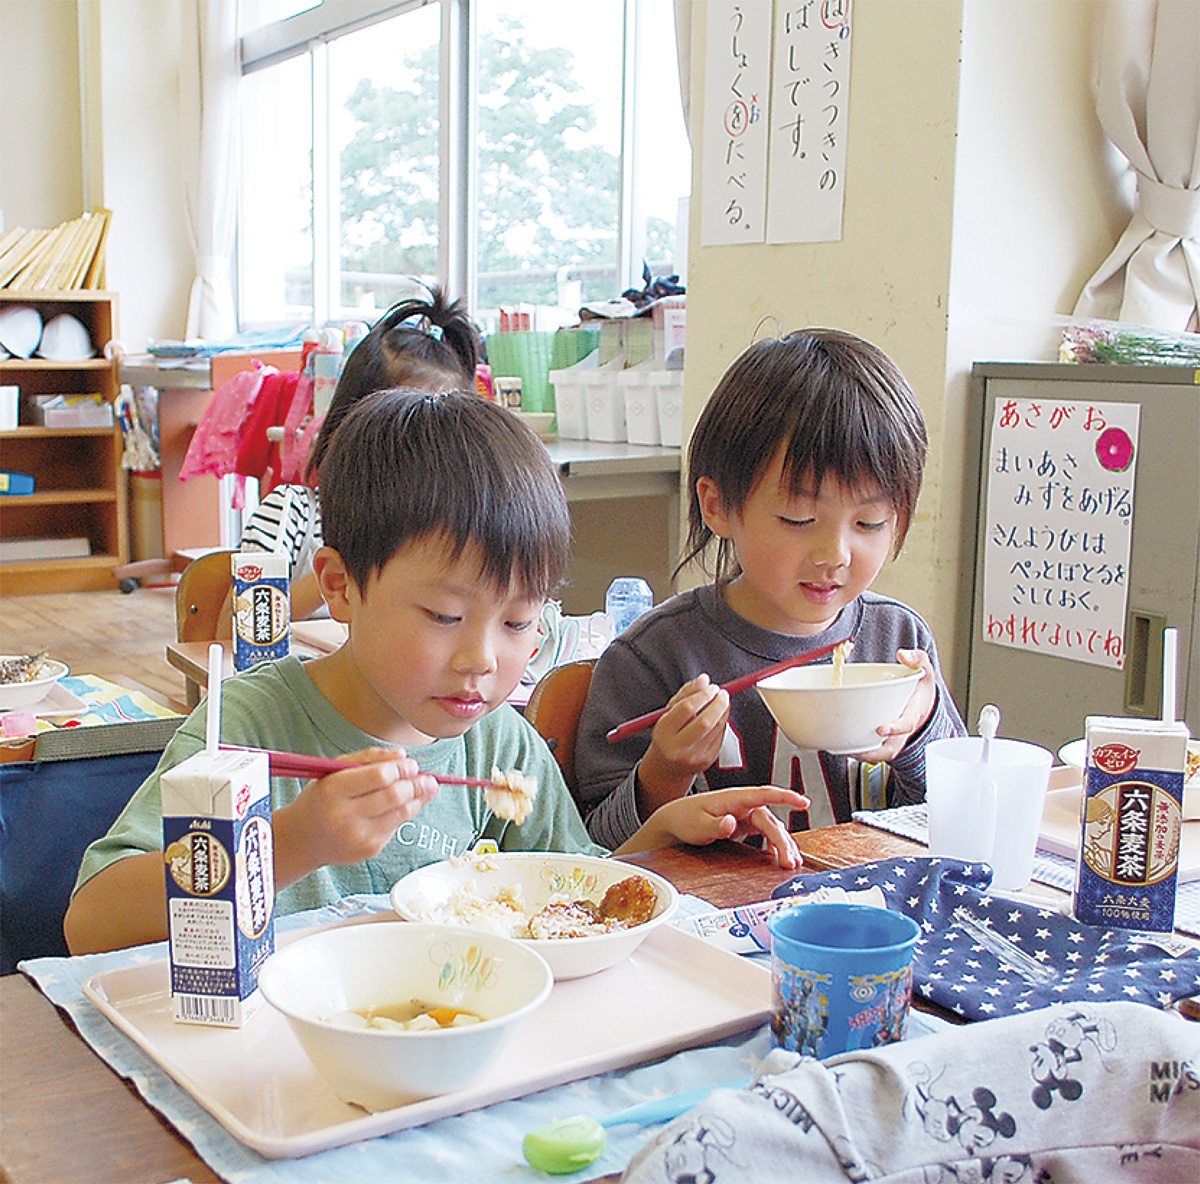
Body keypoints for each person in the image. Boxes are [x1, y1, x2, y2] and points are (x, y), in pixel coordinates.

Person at [64, 389, 805, 955]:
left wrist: (660, 834)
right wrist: (292, 842)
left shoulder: (500, 745)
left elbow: (571, 899)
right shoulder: (248, 727)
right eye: (445, 616)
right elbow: (91, 924)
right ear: (341, 587)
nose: (482, 659)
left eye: (518, 622)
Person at [574, 328, 966, 850]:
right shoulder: (655, 657)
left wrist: (921, 733)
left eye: (869, 523)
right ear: (717, 506)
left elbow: (963, 817)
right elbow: (593, 857)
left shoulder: (896, 640)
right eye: (798, 518)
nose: (835, 554)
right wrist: (664, 774)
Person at [234, 287, 482, 623]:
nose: (429, 452)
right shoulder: (293, 514)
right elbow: (236, 628)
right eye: (411, 430)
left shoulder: (458, 530)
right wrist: (353, 565)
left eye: (446, 433)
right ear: (348, 422)